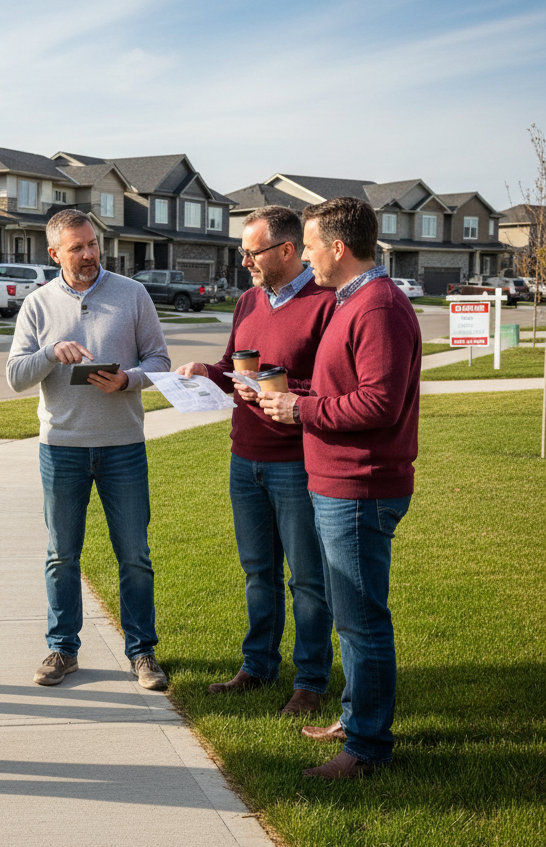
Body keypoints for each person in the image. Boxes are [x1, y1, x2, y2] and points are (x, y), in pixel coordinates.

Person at [258, 197, 421, 779]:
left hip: (361, 486)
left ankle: (367, 750)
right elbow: (347, 386)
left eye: (307, 245)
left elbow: (379, 401)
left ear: (337, 248)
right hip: (336, 483)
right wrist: (291, 397)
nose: (302, 255)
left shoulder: (377, 307)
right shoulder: (353, 302)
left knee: (360, 620)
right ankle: (356, 720)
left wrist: (302, 409)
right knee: (351, 616)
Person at [175, 205, 336, 714]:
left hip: (296, 462)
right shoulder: (248, 300)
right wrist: (206, 371)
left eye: (251, 252)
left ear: (286, 250)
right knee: (257, 571)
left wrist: (283, 391)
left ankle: (310, 681)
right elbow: (232, 366)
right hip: (244, 457)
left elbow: (332, 387)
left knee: (307, 578)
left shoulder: (326, 303)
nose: (244, 260)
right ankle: (259, 666)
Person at [6, 209, 171, 690]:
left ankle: (143, 653)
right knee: (62, 555)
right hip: (62, 449)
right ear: (54, 253)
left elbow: (159, 360)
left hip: (123, 446)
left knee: (135, 554)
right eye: (76, 247)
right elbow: (16, 376)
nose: (89, 254)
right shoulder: (37, 305)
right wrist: (50, 353)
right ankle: (63, 649)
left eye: (92, 244)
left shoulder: (132, 294)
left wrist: (127, 381)